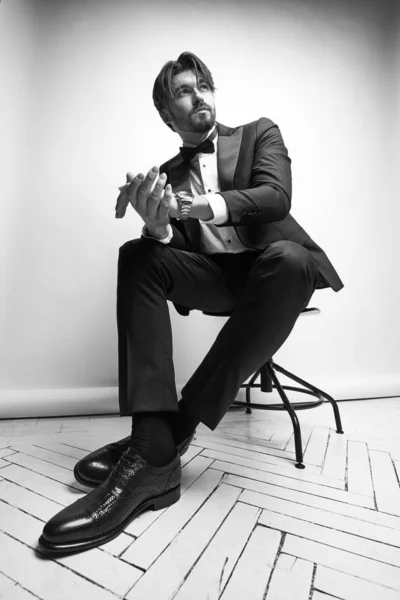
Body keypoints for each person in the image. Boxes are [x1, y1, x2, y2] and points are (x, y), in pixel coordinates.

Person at [39, 51, 343, 554]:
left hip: (278, 273)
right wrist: (157, 225)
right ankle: (153, 442)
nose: (198, 95)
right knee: (139, 255)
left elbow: (274, 197)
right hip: (222, 280)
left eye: (203, 85)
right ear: (167, 114)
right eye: (184, 90)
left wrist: (194, 205)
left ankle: (165, 435)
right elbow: (175, 255)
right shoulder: (165, 174)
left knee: (289, 259)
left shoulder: (258, 133)